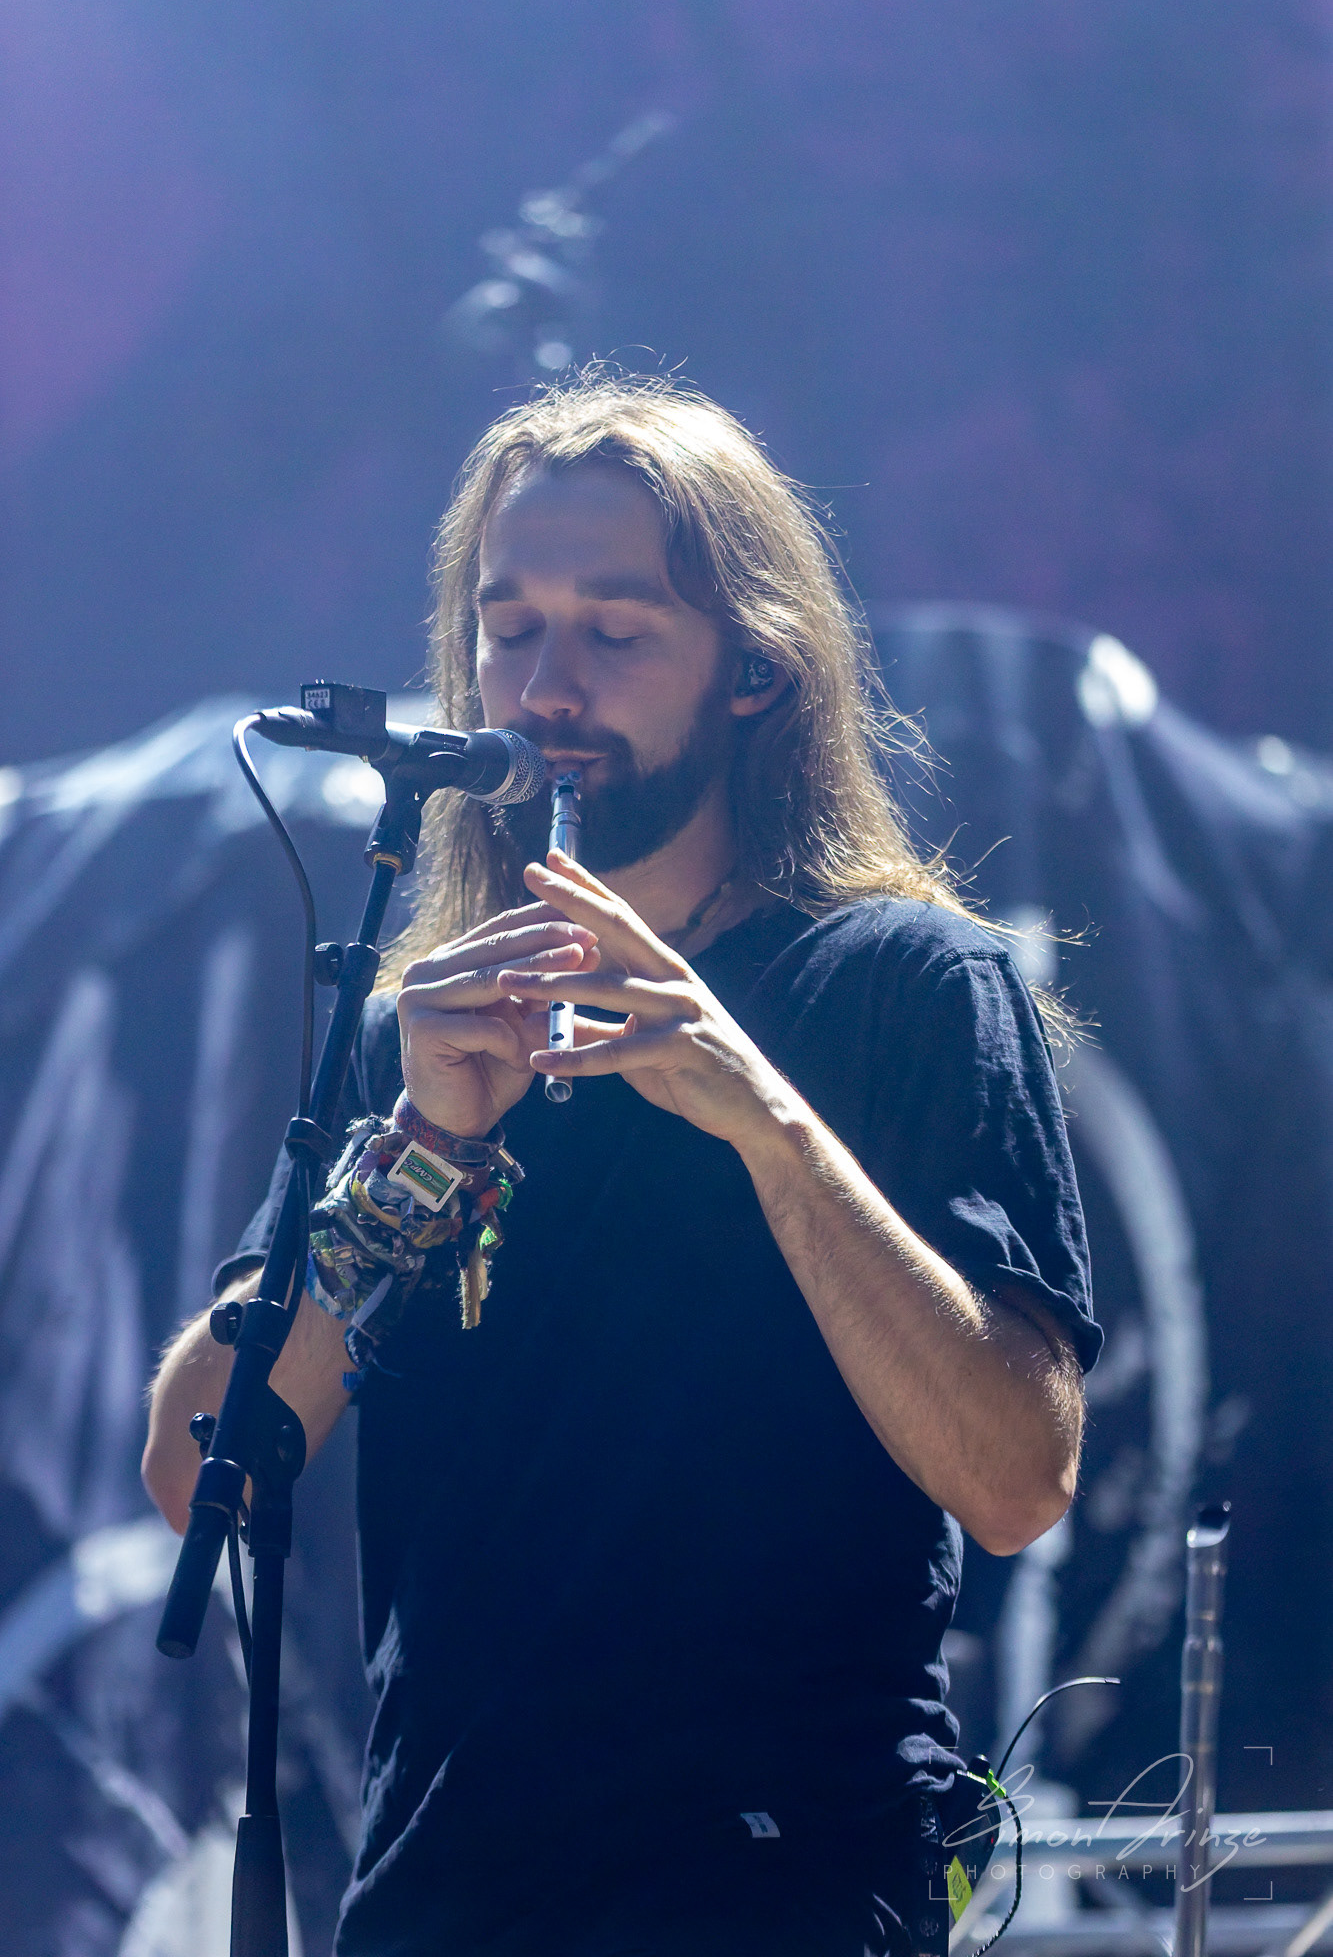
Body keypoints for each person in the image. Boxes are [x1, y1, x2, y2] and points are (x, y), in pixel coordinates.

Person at [143, 374, 1099, 1957]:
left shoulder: (910, 985)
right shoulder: (422, 1032)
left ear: (753, 669)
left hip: (777, 1882)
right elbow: (203, 1478)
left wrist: (760, 1115)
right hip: (446, 1892)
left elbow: (1015, 1478)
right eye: (507, 628)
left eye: (614, 628)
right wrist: (422, 1145)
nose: (546, 684)